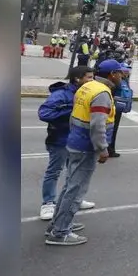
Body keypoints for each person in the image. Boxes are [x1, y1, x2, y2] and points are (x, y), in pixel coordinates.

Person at [45, 59, 123, 246]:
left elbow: (74, 116)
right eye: (121, 73)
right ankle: (61, 232)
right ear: (112, 74)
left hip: (75, 142)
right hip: (86, 147)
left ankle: (57, 223)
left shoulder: (87, 87)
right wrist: (103, 149)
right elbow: (97, 125)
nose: (123, 76)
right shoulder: (102, 93)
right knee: (76, 189)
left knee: (69, 186)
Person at [37, 66, 97, 221]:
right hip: (60, 140)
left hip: (78, 140)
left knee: (74, 172)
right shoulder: (61, 94)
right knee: (54, 171)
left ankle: (73, 199)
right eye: (89, 77)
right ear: (78, 78)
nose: (92, 80)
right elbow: (44, 113)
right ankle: (48, 203)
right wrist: (71, 111)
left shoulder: (87, 93)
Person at [107, 63, 134, 158]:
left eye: (128, 71)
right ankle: (109, 150)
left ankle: (111, 149)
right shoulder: (116, 80)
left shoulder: (124, 79)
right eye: (125, 71)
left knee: (114, 129)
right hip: (113, 107)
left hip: (119, 107)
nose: (127, 73)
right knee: (111, 129)